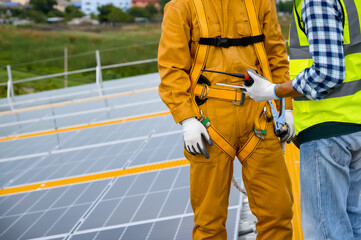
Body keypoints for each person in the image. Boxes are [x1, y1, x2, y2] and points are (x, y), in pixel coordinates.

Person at [157, 0, 295, 239]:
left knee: (278, 214)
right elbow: (171, 68)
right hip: (208, 120)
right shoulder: (181, 6)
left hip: (259, 115)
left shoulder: (261, 2)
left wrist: (286, 108)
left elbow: (277, 55)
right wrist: (187, 119)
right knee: (209, 223)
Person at [243, 0, 361, 239]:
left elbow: (327, 73)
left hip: (328, 131)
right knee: (354, 226)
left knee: (326, 233)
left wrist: (273, 91)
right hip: (354, 123)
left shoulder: (315, 1)